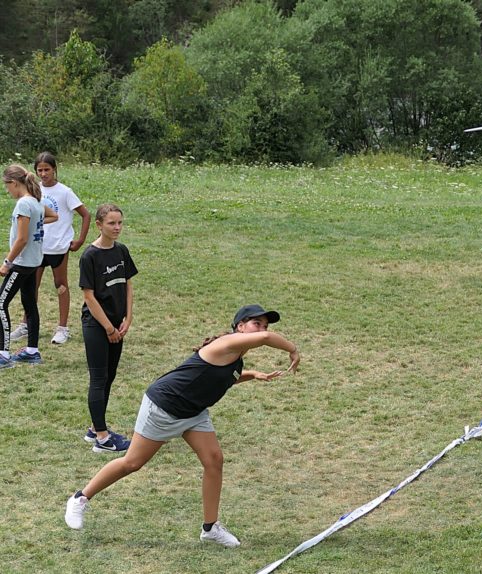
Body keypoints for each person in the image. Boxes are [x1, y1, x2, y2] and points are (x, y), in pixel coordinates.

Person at [65, 304, 300, 547]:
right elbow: (265, 339)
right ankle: (80, 498)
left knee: (214, 461)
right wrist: (293, 350)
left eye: (265, 325)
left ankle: (210, 528)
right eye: (256, 324)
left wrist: (252, 375)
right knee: (132, 463)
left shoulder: (236, 356)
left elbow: (221, 377)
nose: (262, 329)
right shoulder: (226, 344)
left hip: (193, 412)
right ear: (240, 327)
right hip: (164, 407)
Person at [10, 152, 91, 345]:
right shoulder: (34, 190)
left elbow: (86, 215)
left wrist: (80, 240)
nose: (44, 174)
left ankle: (62, 328)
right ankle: (26, 324)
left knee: (60, 285)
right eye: (40, 170)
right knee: (31, 286)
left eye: (47, 169)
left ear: (54, 169)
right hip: (38, 247)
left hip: (58, 247)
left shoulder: (65, 192)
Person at [79, 204, 137, 453]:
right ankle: (102, 440)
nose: (117, 227)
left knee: (110, 375)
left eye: (120, 222)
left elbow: (128, 285)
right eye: (111, 223)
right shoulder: (89, 256)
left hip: (117, 324)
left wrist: (128, 318)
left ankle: (95, 427)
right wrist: (108, 328)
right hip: (97, 325)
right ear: (99, 225)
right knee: (99, 377)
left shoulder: (121, 250)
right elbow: (89, 297)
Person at [1, 164, 57, 368]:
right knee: (30, 304)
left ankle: (3, 354)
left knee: (0, 304)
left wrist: (7, 262)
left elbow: (22, 239)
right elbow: (54, 216)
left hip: (21, 263)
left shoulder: (24, 204)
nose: (7, 190)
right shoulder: (36, 202)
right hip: (34, 262)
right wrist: (36, 224)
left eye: (7, 186)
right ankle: (32, 351)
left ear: (14, 183)